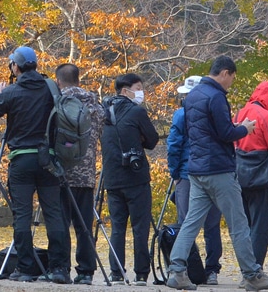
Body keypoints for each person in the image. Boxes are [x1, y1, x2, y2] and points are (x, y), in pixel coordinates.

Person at [166, 56, 268, 292]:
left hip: (196, 169)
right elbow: (225, 132)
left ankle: (177, 270)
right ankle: (252, 274)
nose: (231, 83)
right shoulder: (216, 96)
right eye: (232, 78)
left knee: (190, 223)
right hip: (218, 169)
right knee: (238, 223)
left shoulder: (193, 96)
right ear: (225, 73)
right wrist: (245, 128)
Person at [0, 45, 72, 285]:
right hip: (49, 160)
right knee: (54, 213)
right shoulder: (50, 88)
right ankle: (59, 269)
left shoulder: (11, 92)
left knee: (22, 215)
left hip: (21, 159)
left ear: (15, 66)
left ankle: (25, 269)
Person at [100, 72, 158, 285]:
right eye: (138, 88)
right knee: (140, 227)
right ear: (126, 91)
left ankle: (116, 273)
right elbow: (152, 140)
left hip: (112, 177)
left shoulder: (103, 112)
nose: (141, 92)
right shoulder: (136, 112)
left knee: (117, 227)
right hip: (136, 177)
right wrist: (139, 138)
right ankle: (141, 274)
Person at [56, 63, 108, 285]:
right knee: (84, 226)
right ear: (78, 79)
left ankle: (60, 268)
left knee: (59, 223)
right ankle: (86, 271)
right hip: (86, 176)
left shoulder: (56, 102)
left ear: (58, 81)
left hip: (60, 173)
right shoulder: (96, 106)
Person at [168, 76, 223, 281]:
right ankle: (211, 270)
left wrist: (174, 172)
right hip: (214, 172)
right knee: (212, 225)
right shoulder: (215, 112)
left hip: (187, 174)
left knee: (186, 224)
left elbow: (174, 145)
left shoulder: (181, 115)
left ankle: (186, 268)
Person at [234, 80, 268, 268]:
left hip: (239, 176)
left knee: (244, 226)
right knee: (261, 227)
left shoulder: (241, 112)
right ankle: (254, 270)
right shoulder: (267, 117)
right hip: (262, 177)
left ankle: (245, 268)